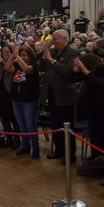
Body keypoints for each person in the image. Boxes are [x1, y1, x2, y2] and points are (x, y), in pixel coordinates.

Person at [39, 29, 79, 164]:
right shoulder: (52, 52)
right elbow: (42, 68)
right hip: (51, 95)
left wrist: (51, 60)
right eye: (52, 39)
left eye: (55, 39)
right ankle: (59, 151)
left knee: (67, 127)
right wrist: (45, 55)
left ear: (65, 39)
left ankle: (70, 155)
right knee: (55, 125)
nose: (53, 41)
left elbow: (67, 72)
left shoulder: (73, 53)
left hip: (65, 96)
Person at [74, 53, 104, 160]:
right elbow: (75, 79)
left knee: (101, 133)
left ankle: (103, 157)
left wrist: (85, 71)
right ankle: (94, 155)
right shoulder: (87, 71)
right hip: (92, 105)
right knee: (93, 132)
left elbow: (101, 85)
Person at [5, 44, 40, 159]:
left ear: (30, 56)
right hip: (16, 100)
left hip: (29, 100)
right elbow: (7, 67)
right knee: (21, 125)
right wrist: (13, 56)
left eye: (25, 55)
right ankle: (25, 146)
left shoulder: (34, 65)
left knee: (30, 125)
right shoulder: (16, 64)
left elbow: (26, 69)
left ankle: (35, 149)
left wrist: (17, 56)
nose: (23, 57)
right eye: (21, 55)